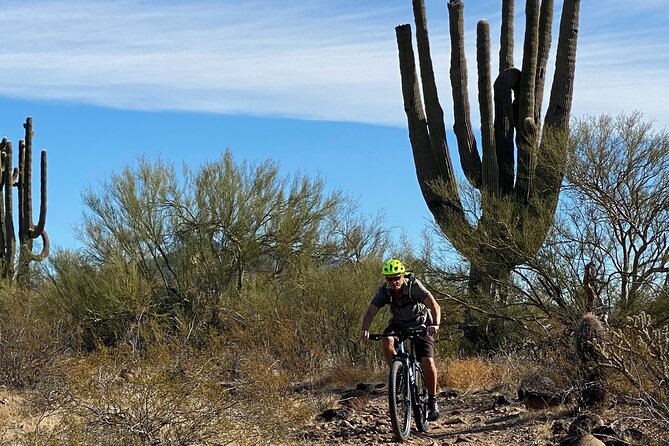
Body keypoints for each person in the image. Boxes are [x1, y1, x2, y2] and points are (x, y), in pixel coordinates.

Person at [360, 258, 441, 421]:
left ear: (402, 275)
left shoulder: (414, 286)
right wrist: (365, 329)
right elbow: (370, 312)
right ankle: (397, 374)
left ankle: (432, 400)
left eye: (397, 277)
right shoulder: (385, 291)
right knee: (387, 340)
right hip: (399, 324)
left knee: (427, 361)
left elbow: (434, 306)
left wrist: (435, 324)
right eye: (390, 279)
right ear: (386, 279)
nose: (394, 282)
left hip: (421, 324)